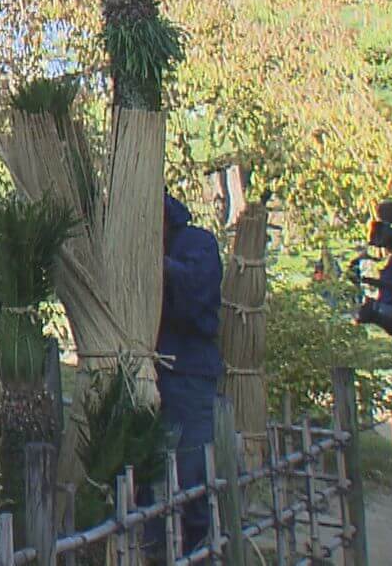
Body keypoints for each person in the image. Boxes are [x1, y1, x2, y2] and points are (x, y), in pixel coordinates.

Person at [154, 193, 224, 551]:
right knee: (150, 481)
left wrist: (160, 265)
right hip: (150, 376)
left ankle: (197, 551)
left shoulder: (198, 243)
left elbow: (198, 291)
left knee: (192, 474)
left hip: (190, 375)